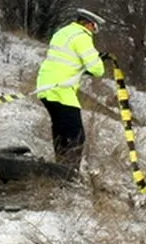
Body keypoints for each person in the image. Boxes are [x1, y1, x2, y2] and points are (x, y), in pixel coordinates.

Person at [35, 9, 107, 174]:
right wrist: (97, 59)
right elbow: (97, 69)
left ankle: (60, 168)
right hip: (61, 90)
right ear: (89, 24)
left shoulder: (62, 32)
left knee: (61, 130)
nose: (94, 32)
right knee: (76, 135)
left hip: (46, 87)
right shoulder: (82, 36)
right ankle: (70, 173)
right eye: (94, 28)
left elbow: (69, 60)